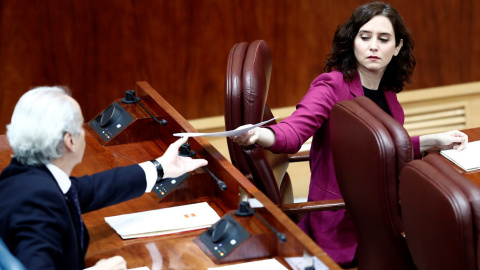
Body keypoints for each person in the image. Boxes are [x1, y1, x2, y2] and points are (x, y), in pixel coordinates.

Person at [230, 1, 468, 267]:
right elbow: (294, 131)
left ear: (398, 47)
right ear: (353, 42)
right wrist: (259, 135)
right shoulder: (331, 86)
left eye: (384, 39)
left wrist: (431, 140)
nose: (373, 46)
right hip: (342, 218)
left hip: (381, 209)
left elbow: (380, 149)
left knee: (453, 229)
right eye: (364, 37)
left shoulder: (387, 91)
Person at [0, 86, 208, 270]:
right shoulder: (35, 205)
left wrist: (160, 168)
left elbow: (90, 190)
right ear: (70, 141)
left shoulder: (23, 176)